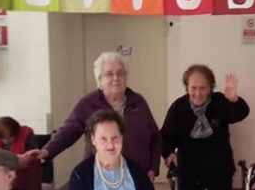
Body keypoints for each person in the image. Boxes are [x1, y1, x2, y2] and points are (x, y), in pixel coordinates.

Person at [26, 51, 162, 180]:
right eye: (109, 74)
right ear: (99, 80)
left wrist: (153, 168)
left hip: (136, 175)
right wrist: (47, 151)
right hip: (100, 176)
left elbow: (155, 136)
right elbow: (68, 131)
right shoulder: (88, 104)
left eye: (120, 73)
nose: (116, 78)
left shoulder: (138, 102)